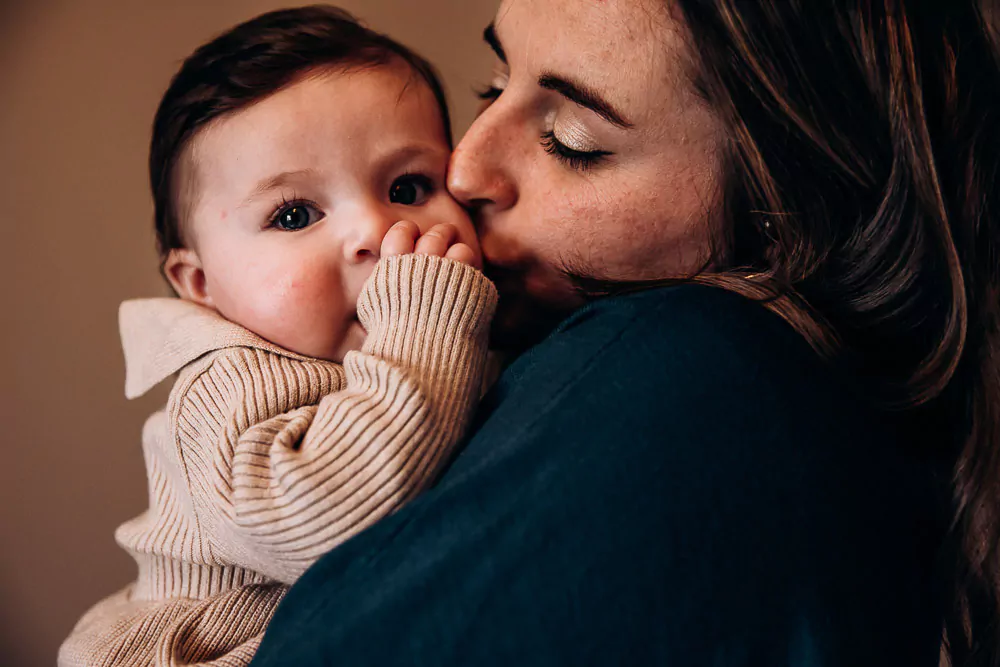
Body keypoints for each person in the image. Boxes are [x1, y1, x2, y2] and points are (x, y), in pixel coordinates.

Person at [249, 0, 1000, 666]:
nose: (465, 168)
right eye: (492, 82)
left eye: (572, 139)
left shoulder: (685, 371)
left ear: (786, 220)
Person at [58, 7, 498, 666]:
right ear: (200, 283)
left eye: (408, 186)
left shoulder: (461, 335)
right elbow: (322, 515)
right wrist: (422, 322)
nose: (375, 230)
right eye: (295, 214)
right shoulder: (222, 383)